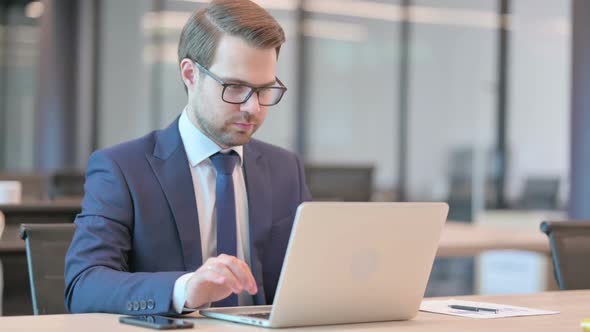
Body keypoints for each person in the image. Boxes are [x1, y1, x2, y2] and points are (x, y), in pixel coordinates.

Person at [65, 0, 311, 315]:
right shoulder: (122, 170)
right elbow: (83, 286)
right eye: (235, 88)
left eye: (264, 90)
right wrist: (184, 289)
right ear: (190, 74)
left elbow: (306, 279)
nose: (254, 108)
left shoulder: (285, 170)